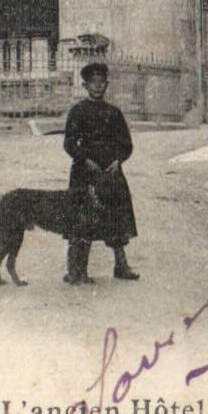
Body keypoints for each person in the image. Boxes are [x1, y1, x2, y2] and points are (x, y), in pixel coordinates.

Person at [63, 62, 139, 283]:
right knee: (81, 220)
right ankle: (76, 270)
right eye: (93, 83)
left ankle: (121, 265)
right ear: (85, 85)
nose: (97, 87)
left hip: (111, 172)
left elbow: (126, 144)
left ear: (106, 85)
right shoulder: (77, 111)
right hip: (84, 172)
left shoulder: (114, 113)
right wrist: (84, 159)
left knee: (117, 217)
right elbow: (69, 143)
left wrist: (118, 161)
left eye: (101, 83)